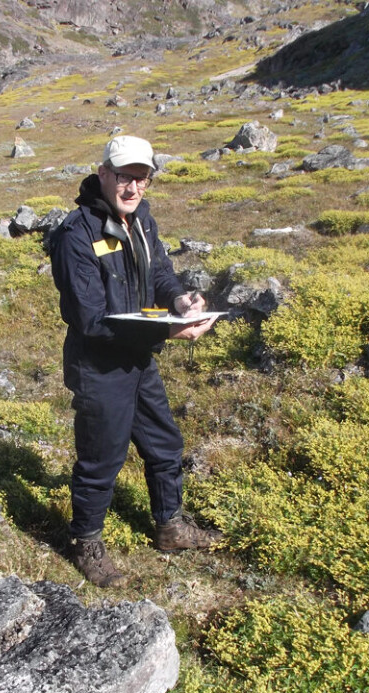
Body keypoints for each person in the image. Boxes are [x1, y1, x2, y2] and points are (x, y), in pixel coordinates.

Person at [49, 135, 221, 588]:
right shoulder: (76, 235)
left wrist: (181, 300)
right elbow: (89, 318)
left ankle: (170, 526)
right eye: (124, 176)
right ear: (103, 173)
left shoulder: (141, 220)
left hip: (139, 357)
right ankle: (86, 542)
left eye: (141, 178)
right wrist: (167, 330)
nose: (132, 188)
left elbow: (160, 273)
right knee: (101, 459)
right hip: (99, 364)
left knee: (165, 443)